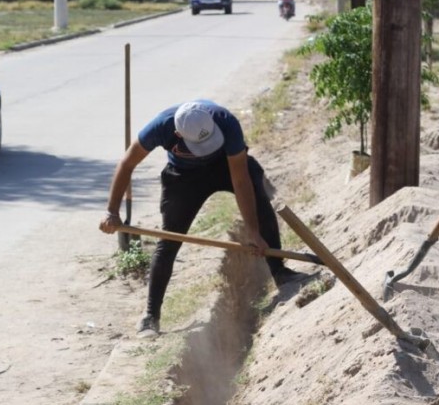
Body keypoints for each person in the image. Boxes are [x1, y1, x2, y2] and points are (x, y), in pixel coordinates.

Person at [99, 100, 311, 336]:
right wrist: (112, 211)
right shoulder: (160, 126)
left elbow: (240, 180)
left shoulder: (226, 122)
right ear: (178, 133)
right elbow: (127, 163)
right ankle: (151, 316)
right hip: (184, 176)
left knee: (259, 199)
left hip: (226, 166)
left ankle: (280, 272)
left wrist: (253, 232)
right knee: (169, 239)